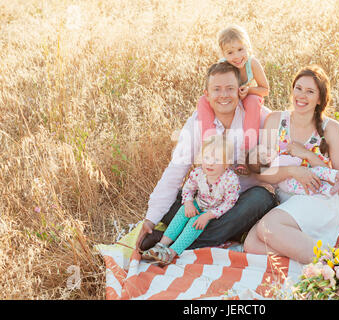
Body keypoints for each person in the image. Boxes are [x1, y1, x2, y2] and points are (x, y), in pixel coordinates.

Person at [135, 61, 321, 254]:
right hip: (206, 199)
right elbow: (176, 170)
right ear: (207, 94)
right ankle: (217, 234)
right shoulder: (196, 123)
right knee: (173, 200)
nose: (223, 95)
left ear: (240, 90)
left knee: (262, 198)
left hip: (241, 203)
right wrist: (151, 219)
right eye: (217, 89)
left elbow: (280, 156)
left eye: (230, 88)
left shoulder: (261, 118)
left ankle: (175, 241)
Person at [243, 65, 339, 264]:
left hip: (320, 199)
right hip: (289, 202)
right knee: (252, 244)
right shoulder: (275, 120)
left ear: (320, 98)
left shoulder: (331, 128)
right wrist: (293, 170)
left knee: (268, 227)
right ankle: (309, 250)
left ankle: (333, 264)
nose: (302, 95)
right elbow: (261, 173)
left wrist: (308, 155)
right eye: (298, 88)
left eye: (310, 91)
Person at [141, 135, 240, 265]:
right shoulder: (198, 173)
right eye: (207, 158)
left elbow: (229, 202)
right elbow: (188, 189)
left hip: (215, 211)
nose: (210, 163)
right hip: (199, 203)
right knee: (183, 212)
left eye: (216, 160)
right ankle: (161, 245)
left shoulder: (230, 180)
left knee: (195, 222)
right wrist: (188, 203)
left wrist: (208, 216)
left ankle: (171, 252)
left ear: (226, 163)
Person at [197, 25, 270, 174]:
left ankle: (245, 153)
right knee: (203, 100)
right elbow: (216, 86)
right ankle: (210, 147)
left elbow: (265, 90)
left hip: (246, 95)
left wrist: (249, 90)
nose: (237, 56)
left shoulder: (252, 63)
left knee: (253, 101)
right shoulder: (223, 65)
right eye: (230, 52)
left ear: (247, 47)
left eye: (240, 49)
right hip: (230, 96)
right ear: (223, 53)